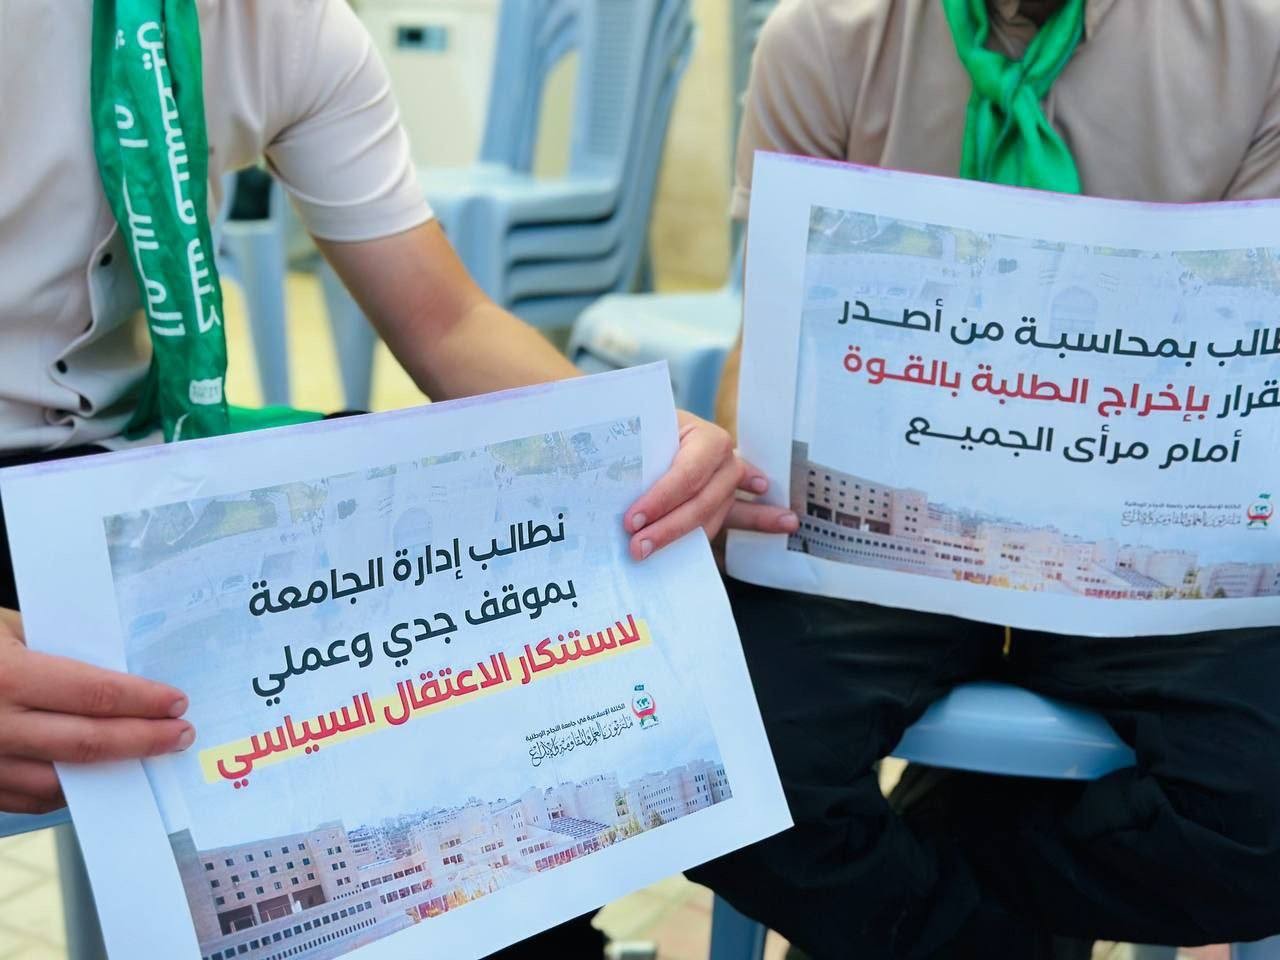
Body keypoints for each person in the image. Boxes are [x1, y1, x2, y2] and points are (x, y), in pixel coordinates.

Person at [0, 2, 795, 957]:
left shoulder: (287, 27)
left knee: (443, 567)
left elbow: (447, 321)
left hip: (127, 459)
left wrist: (629, 450)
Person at [693, 0, 1280, 957]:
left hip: (1147, 540)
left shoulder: (1255, 45)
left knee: (1259, 820)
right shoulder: (826, 38)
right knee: (714, 754)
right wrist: (741, 474)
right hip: (883, 528)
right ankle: (983, 930)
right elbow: (772, 331)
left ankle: (940, 862)